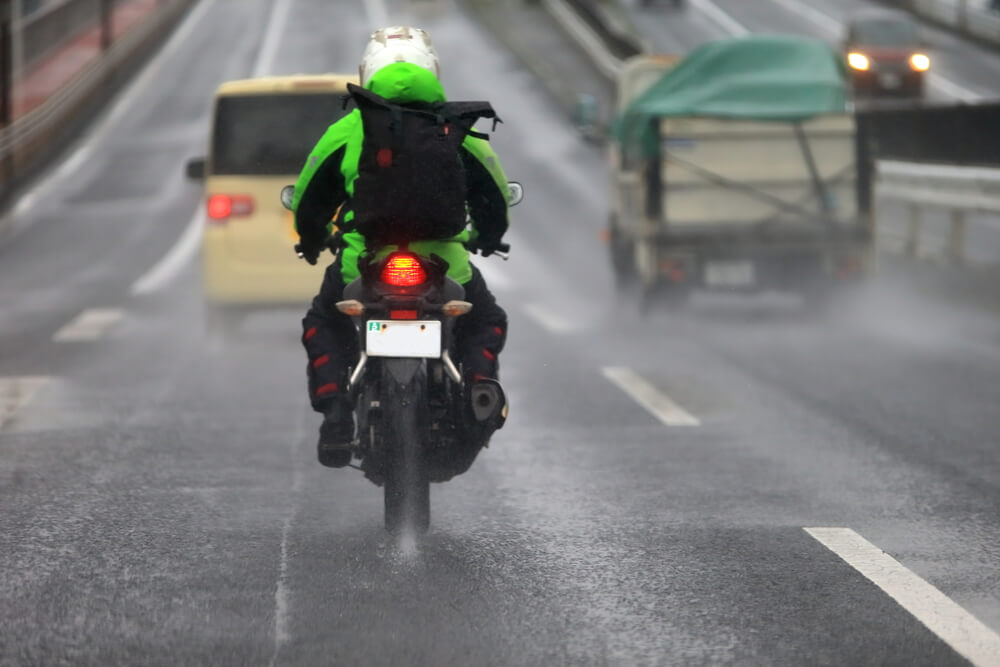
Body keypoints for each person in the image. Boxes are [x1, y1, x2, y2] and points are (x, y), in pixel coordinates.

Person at [291, 26, 511, 468]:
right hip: (445, 267)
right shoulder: (455, 129)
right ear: (433, 72)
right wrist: (489, 237)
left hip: (364, 265)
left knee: (324, 319)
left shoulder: (348, 129)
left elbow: (309, 197)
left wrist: (311, 240)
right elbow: (495, 196)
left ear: (366, 74)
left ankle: (336, 410)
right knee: (485, 318)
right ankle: (479, 384)